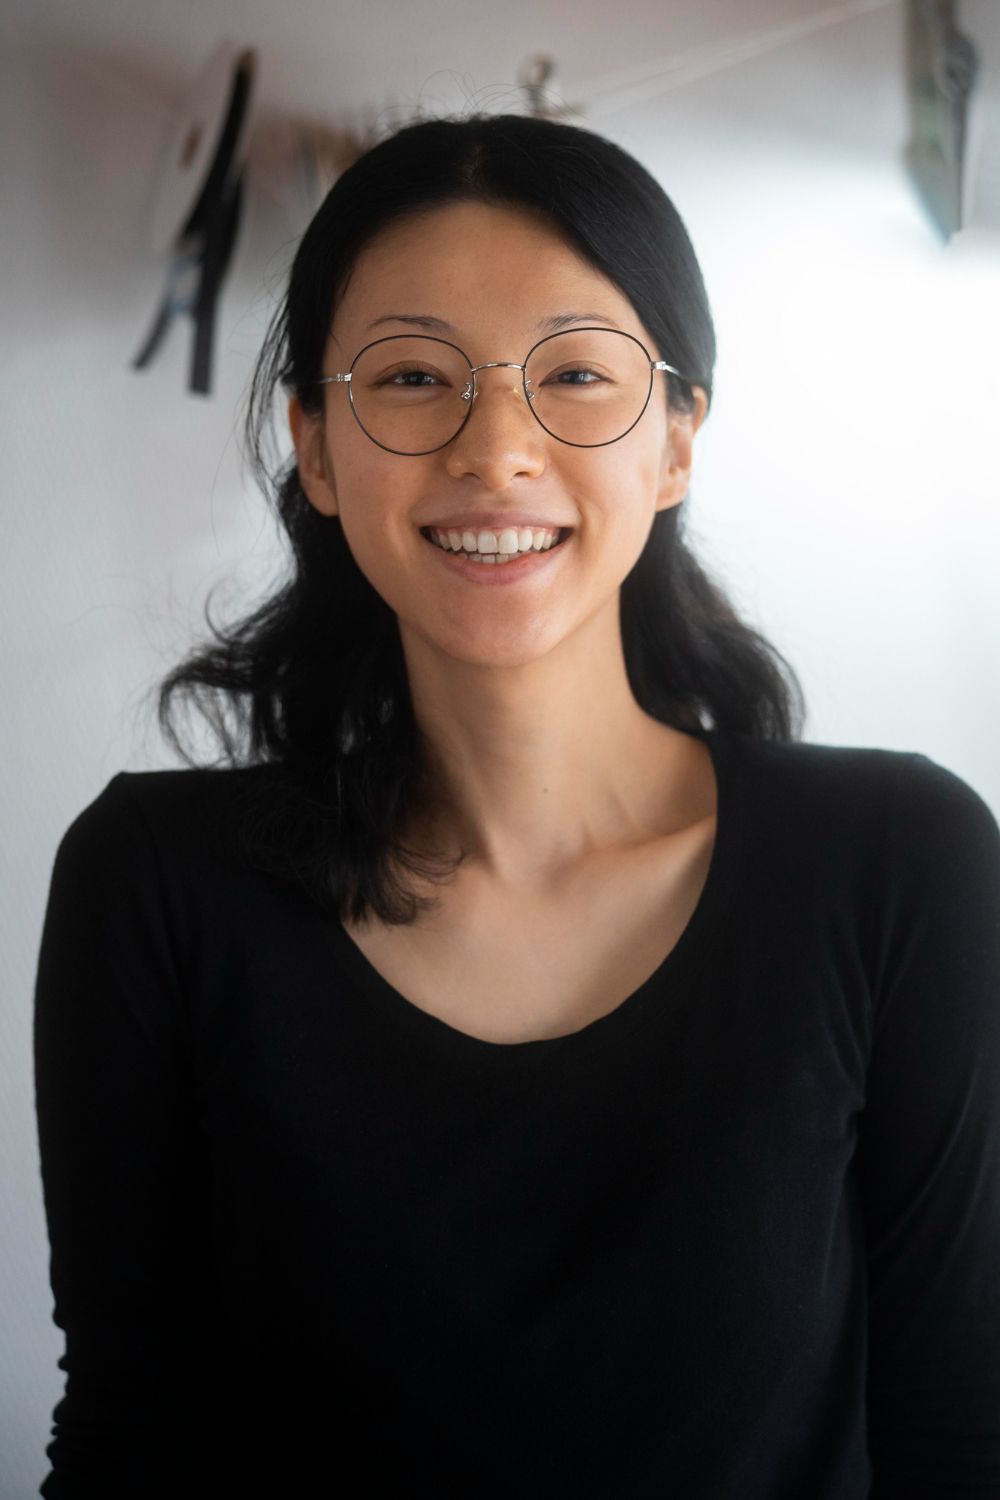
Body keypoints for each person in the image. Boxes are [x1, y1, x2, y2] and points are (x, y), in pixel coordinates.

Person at [33, 112, 1000, 1499]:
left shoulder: (899, 864)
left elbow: (959, 1439)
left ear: (677, 442)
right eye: (413, 377)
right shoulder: (157, 886)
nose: (496, 450)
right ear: (317, 446)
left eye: (577, 376)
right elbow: (133, 1445)